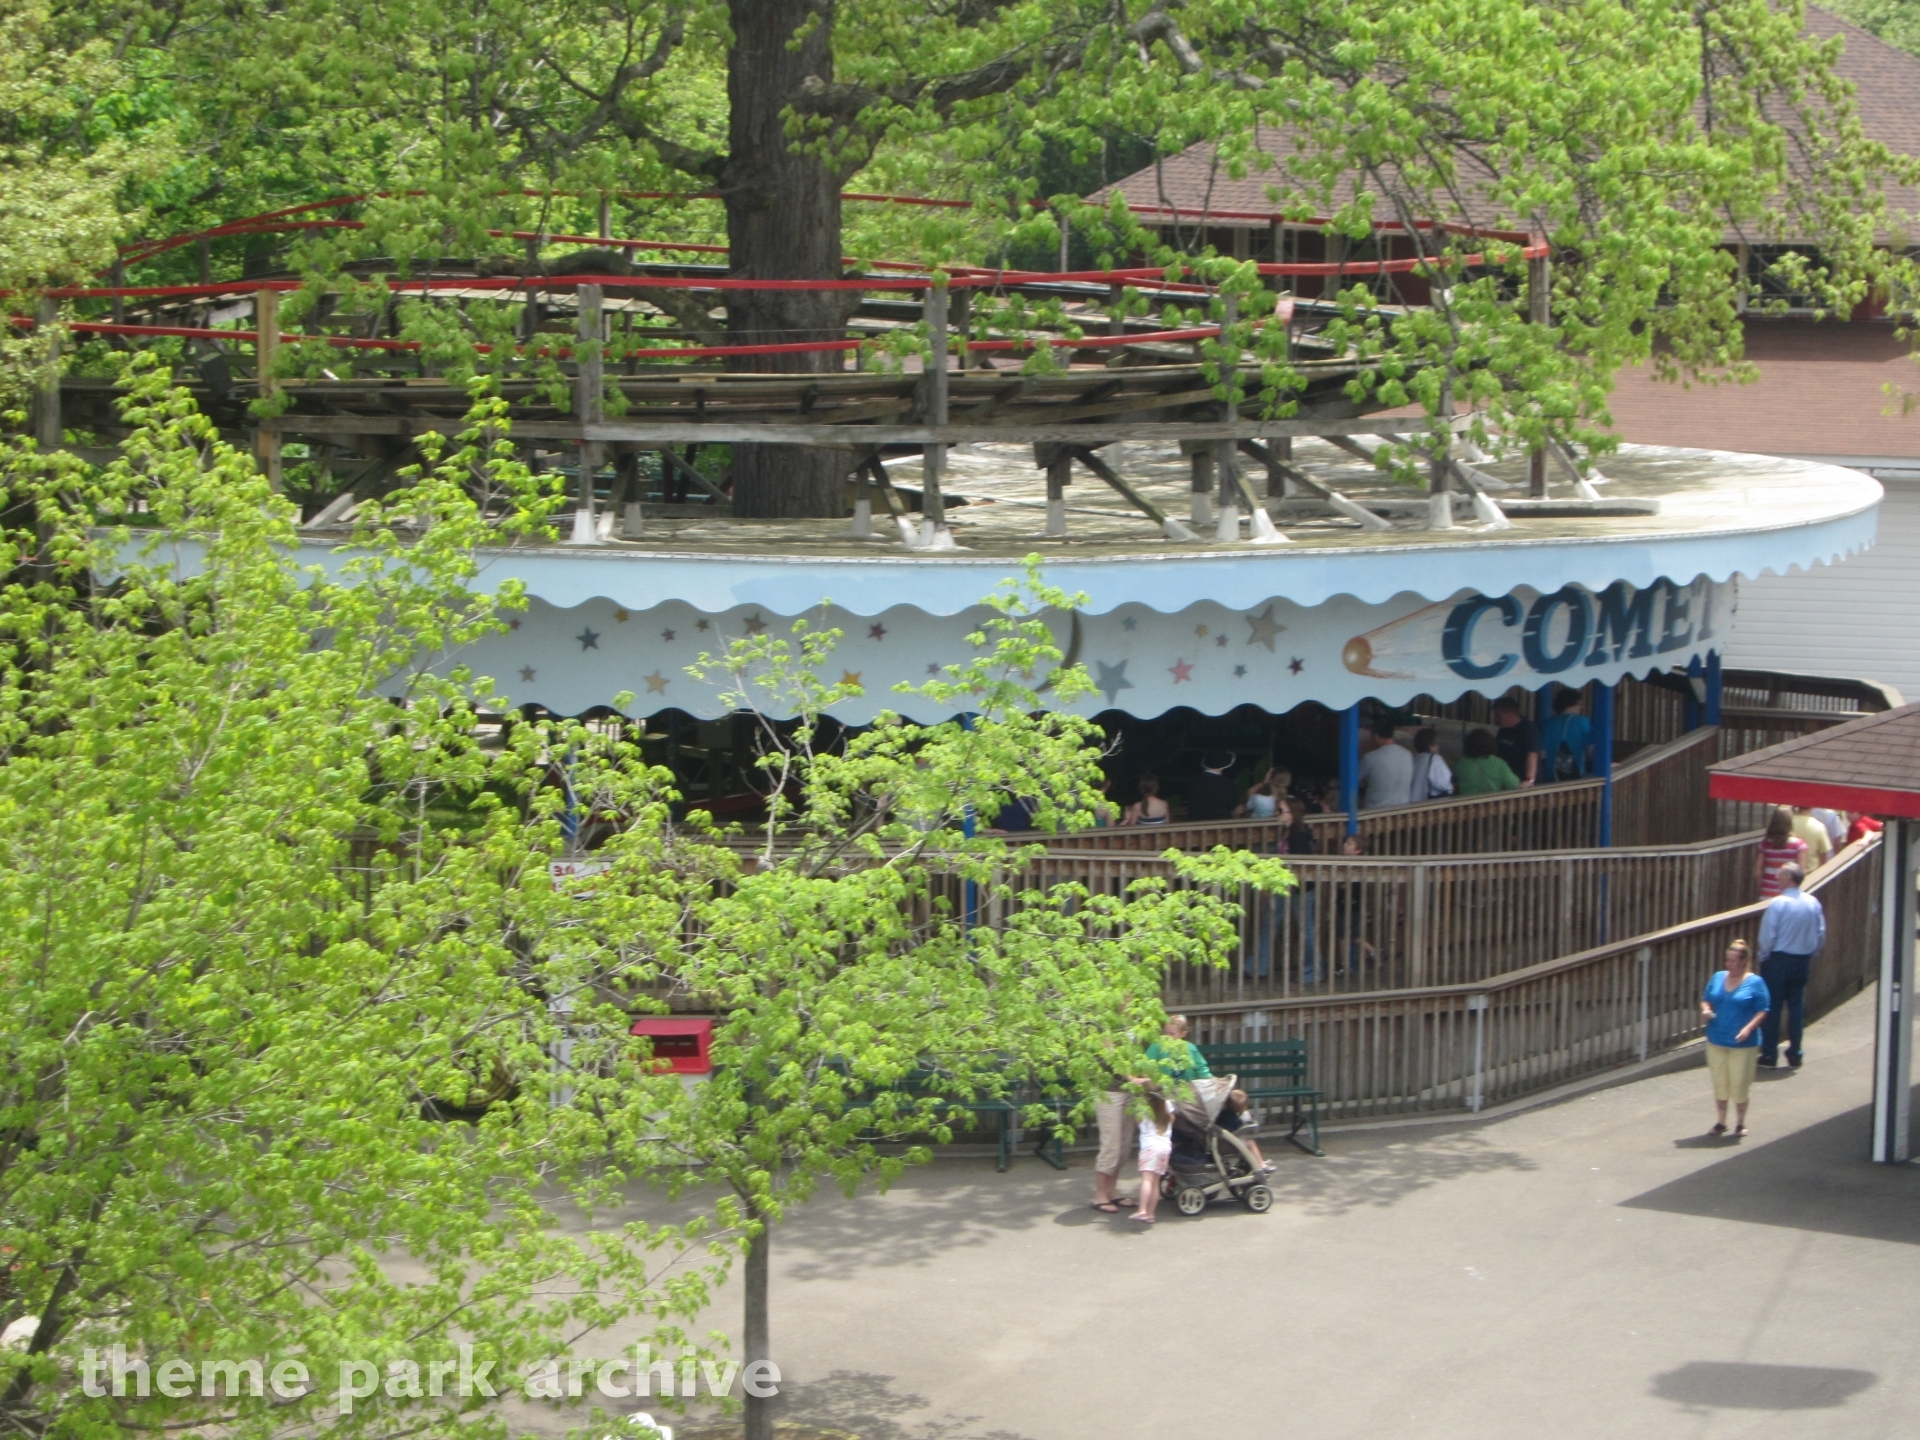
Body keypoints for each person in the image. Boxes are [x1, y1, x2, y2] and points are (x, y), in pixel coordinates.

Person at [1757, 863, 1825, 1069]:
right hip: (1802, 960)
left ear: (1789, 879)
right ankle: (1795, 1052)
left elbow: (1768, 935)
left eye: (1780, 875)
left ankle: (1770, 1053)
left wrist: (1764, 955)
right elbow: (1820, 932)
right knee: (1796, 1007)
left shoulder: (1778, 903)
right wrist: (1813, 951)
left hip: (1778, 960)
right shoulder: (1812, 902)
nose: (1776, 878)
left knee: (1772, 1007)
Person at [1700, 939, 1770, 1137]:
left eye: (1732, 961)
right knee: (1720, 1083)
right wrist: (1706, 1010)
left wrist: (1749, 1028)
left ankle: (1740, 1122)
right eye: (1727, 960)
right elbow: (1706, 999)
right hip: (1717, 1039)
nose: (1728, 964)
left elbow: (1763, 1010)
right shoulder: (1718, 977)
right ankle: (1721, 1121)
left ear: (1743, 962)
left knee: (1739, 1084)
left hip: (1742, 1044)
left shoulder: (1755, 983)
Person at [1130, 1092, 1173, 1224]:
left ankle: (1142, 1210)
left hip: (1150, 1146)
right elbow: (1172, 1118)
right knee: (1155, 1181)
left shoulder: (1142, 1107)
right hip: (1164, 1147)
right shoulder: (1167, 1104)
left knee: (1147, 1179)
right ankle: (1151, 1214)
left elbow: (1138, 1122)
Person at [1537, 689, 1594, 782]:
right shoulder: (1583, 722)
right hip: (1575, 778)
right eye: (1580, 704)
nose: (1581, 708)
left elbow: (1541, 754)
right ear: (1573, 703)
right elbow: (1591, 752)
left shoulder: (1545, 724)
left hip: (1549, 780)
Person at [1217, 1086, 1276, 1173]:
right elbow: (1240, 1130)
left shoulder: (1222, 1113)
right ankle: (1261, 1164)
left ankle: (1254, 1162)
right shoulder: (1234, 1119)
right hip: (1228, 1145)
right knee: (1250, 1143)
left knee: (1246, 1141)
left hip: (1220, 1142)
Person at [1358, 719, 1414, 809]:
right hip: (1402, 811)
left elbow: (1354, 779)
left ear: (1376, 736)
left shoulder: (1370, 757)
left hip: (1375, 813)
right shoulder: (1408, 755)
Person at [1755, 805, 1809, 898]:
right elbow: (1802, 871)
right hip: (1790, 895)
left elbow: (1758, 872)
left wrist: (1762, 888)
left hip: (1767, 893)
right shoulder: (1798, 845)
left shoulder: (1765, 844)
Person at [1453, 728, 1520, 795]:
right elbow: (1514, 785)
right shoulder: (1498, 763)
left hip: (1466, 801)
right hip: (1492, 801)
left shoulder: (1461, 764)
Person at [1491, 698, 1540, 788]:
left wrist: (1529, 779)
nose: (1496, 719)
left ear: (1509, 715)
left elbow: (1532, 755)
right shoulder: (1503, 731)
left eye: (1498, 716)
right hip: (1508, 780)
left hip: (1522, 781)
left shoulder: (1528, 729)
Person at [1147, 1014, 1212, 1080]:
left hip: (1188, 1084)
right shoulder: (1157, 1046)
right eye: (1165, 1033)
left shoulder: (1190, 1048)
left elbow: (1201, 1068)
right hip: (1163, 1084)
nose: (1167, 1037)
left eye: (1171, 1034)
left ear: (1183, 1034)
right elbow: (1147, 1066)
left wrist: (1207, 1079)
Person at [1187, 750, 1240, 822]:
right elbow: (1233, 806)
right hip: (1222, 823)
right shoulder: (1228, 783)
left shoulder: (1195, 780)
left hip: (1195, 823)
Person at [1409, 727, 1454, 801]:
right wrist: (1451, 787)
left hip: (1413, 803)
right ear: (1431, 745)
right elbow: (1443, 784)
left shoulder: (1414, 759)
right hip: (1429, 804)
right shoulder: (1435, 759)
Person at [1790, 806, 1834, 871]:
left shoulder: (1789, 823)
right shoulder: (1819, 826)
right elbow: (1823, 857)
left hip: (1790, 873)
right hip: (1812, 873)